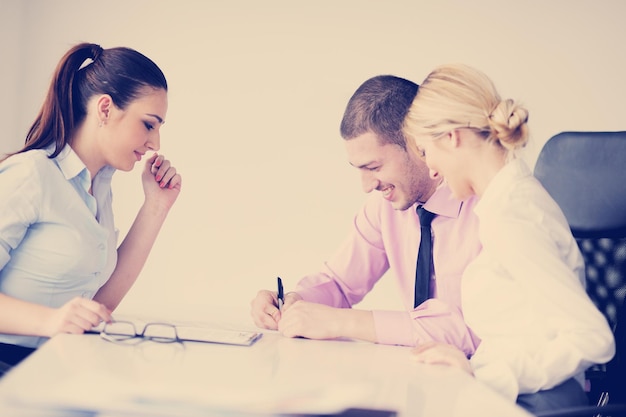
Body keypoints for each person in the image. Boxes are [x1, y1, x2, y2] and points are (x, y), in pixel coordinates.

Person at [403, 63, 615, 413]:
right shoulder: (503, 204)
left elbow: (592, 339)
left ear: (451, 136)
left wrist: (480, 372)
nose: (432, 171)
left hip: (537, 403)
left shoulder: (514, 213)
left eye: (427, 152)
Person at [250, 75, 481, 351]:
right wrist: (293, 303)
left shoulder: (487, 208)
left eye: (373, 168)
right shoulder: (385, 207)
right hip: (420, 373)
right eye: (358, 169)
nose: (366, 186)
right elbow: (339, 283)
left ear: (416, 144)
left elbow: (477, 332)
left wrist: (343, 322)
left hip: (486, 379)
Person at [0, 43, 182, 372]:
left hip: (58, 366)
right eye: (149, 124)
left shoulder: (98, 187)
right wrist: (51, 321)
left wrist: (156, 206)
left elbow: (98, 307)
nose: (156, 143)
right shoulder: (32, 174)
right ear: (105, 109)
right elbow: (61, 319)